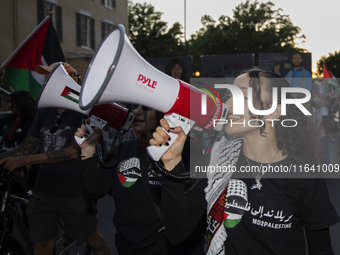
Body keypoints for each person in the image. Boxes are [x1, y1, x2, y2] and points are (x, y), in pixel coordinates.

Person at [150, 69, 339, 255]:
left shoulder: (305, 176)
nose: (228, 103)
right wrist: (171, 165)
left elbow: (321, 249)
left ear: (274, 112)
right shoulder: (217, 160)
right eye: (230, 96)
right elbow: (178, 233)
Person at [0, 62, 110, 255]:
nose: (46, 81)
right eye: (47, 77)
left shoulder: (84, 112)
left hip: (75, 191)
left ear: (72, 80)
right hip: (44, 191)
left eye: (52, 76)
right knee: (41, 246)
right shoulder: (44, 112)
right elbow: (26, 147)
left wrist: (26, 160)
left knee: (92, 239)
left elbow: (73, 151)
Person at [76, 104, 207, 255]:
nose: (136, 112)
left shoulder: (191, 152)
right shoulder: (126, 148)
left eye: (145, 107)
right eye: (135, 106)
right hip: (128, 248)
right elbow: (95, 190)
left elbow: (185, 224)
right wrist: (87, 149)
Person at [312, 96, 331, 165]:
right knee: (320, 149)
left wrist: (317, 131)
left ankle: (326, 163)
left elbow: (323, 122)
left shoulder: (323, 109)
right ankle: (323, 163)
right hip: (319, 133)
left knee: (324, 149)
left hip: (323, 133)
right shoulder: (317, 110)